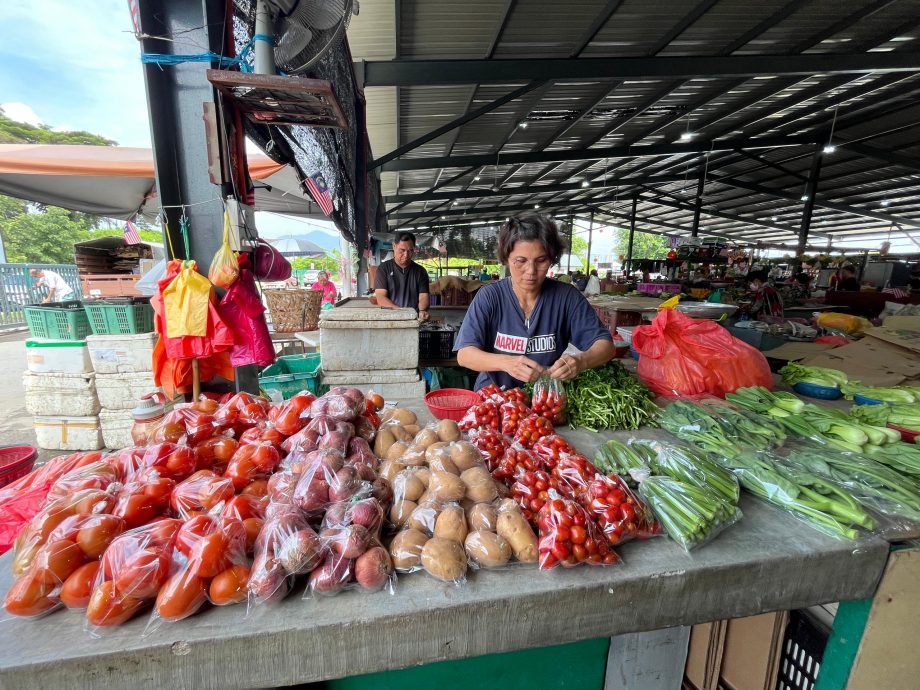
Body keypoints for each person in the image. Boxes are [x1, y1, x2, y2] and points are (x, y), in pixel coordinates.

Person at [454, 213, 615, 390]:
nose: (531, 270)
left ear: (551, 259)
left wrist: (581, 361)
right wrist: (506, 362)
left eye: (541, 260)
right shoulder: (490, 296)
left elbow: (606, 346)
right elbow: (465, 355)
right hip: (494, 396)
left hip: (545, 397)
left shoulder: (566, 297)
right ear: (507, 258)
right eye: (520, 261)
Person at [373, 231, 430, 319]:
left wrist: (422, 310)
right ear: (394, 246)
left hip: (413, 318)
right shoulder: (383, 269)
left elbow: (423, 296)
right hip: (391, 318)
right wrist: (401, 312)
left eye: (410, 250)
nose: (406, 255)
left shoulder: (420, 271)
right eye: (402, 250)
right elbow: (381, 297)